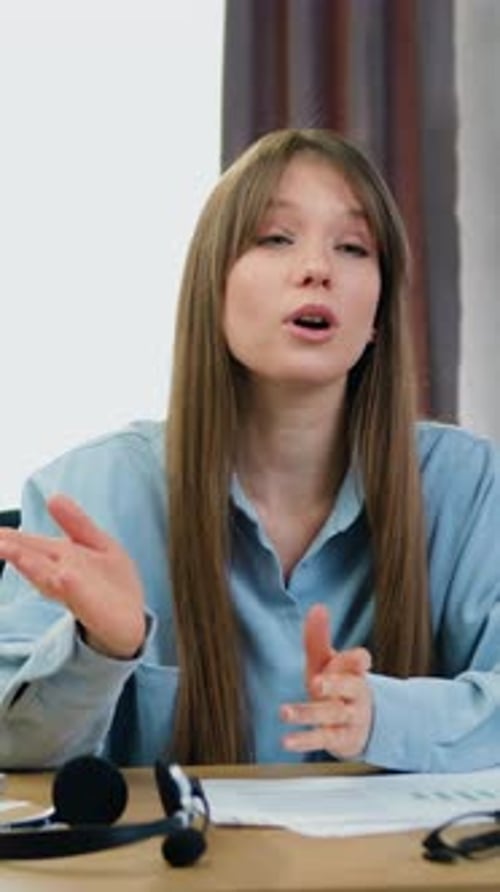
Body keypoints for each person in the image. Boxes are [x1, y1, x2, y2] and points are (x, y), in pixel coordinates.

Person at [0, 128, 499, 772]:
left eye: (352, 247)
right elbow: (12, 747)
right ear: (214, 288)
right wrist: (100, 649)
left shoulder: (466, 484)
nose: (317, 268)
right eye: (275, 238)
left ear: (377, 314)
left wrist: (388, 716)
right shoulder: (90, 492)